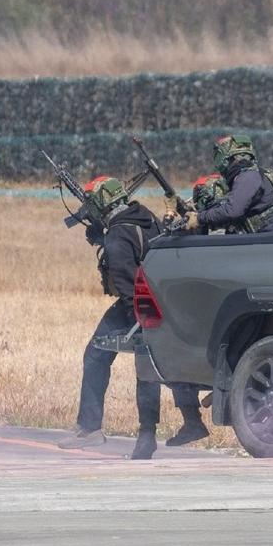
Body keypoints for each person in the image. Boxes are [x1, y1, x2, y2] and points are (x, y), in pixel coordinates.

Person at [57, 175, 209, 458]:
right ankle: (191, 420)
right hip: (167, 299)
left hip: (139, 306)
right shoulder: (144, 217)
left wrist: (140, 322)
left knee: (98, 355)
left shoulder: (116, 235)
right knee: (166, 361)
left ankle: (95, 429)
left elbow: (127, 280)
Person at [184, 133, 273, 234]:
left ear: (225, 158)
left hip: (272, 237)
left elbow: (233, 210)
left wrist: (199, 218)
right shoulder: (259, 173)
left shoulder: (247, 176)